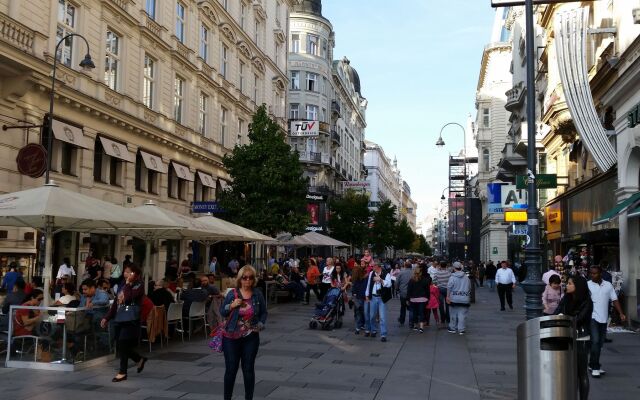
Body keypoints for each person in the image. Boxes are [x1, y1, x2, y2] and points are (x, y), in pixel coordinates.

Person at [220, 265, 267, 400]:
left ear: (253, 280)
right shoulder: (232, 293)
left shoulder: (257, 294)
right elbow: (222, 311)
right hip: (231, 337)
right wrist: (232, 305)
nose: (247, 281)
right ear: (240, 279)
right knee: (231, 369)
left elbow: (264, 312)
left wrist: (261, 324)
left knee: (248, 369)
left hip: (250, 337)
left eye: (250, 278)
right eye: (244, 278)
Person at [101, 263, 148, 382]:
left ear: (135, 274)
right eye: (125, 272)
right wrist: (107, 317)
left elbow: (128, 297)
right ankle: (139, 359)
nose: (125, 274)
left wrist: (127, 284)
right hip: (120, 318)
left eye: (128, 272)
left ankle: (122, 372)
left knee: (122, 343)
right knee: (121, 345)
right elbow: (117, 303)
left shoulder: (139, 285)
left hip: (131, 319)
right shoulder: (122, 285)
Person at [554, 276, 592, 400]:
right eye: (567, 283)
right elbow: (556, 312)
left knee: (582, 373)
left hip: (581, 338)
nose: (567, 286)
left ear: (578, 286)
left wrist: (564, 317)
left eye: (570, 284)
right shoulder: (566, 298)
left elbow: (580, 319)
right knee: (570, 373)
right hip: (567, 336)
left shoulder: (586, 301)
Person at [587, 265, 626, 378]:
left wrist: (621, 313)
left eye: (595, 273)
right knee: (595, 341)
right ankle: (595, 367)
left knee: (599, 344)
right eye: (591, 273)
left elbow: (614, 300)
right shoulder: (588, 285)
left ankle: (592, 363)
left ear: (600, 274)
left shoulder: (608, 285)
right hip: (592, 317)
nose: (592, 275)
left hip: (604, 318)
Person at [364, 262, 392, 342]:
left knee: (382, 317)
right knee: (372, 316)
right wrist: (367, 295)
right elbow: (369, 284)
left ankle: (383, 335)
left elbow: (389, 284)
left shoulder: (386, 274)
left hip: (381, 298)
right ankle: (373, 330)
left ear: (378, 267)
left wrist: (380, 280)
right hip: (373, 297)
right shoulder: (371, 273)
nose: (372, 268)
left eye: (374, 266)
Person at [446, 262, 471, 335]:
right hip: (464, 298)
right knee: (462, 315)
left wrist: (447, 296)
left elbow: (449, 287)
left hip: (454, 298)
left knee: (453, 313)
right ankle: (461, 329)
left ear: (454, 268)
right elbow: (469, 288)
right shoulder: (466, 277)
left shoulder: (452, 277)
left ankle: (452, 328)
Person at [407, 267, 430, 333]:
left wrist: (408, 299)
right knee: (421, 312)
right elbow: (427, 290)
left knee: (414, 312)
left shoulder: (411, 280)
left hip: (413, 299)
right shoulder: (425, 280)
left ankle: (415, 325)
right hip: (422, 299)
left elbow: (409, 290)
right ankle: (421, 327)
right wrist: (428, 298)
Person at [350, 264, 367, 334]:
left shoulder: (357, 280)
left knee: (358, 312)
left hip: (359, 297)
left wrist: (354, 294)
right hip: (361, 297)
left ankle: (358, 327)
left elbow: (354, 289)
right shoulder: (363, 279)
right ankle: (360, 325)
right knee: (361, 312)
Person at [396, 260, 413, 327]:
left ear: (405, 266)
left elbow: (397, 283)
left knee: (403, 307)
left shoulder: (401, 273)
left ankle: (402, 319)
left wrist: (397, 289)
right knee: (411, 308)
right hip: (411, 293)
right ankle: (411, 322)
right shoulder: (413, 273)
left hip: (403, 292)